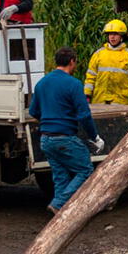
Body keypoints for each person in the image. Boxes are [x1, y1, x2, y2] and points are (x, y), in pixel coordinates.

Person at [29, 46, 104, 214]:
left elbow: (33, 111)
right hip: (65, 138)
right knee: (85, 170)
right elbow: (84, 115)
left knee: (60, 176)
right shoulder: (74, 84)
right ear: (72, 61)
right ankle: (59, 203)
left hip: (46, 139)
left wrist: (49, 119)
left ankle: (61, 212)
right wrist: (95, 137)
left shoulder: (42, 83)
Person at [84, 19, 128, 105]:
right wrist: (87, 94)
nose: (112, 37)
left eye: (116, 34)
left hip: (121, 101)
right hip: (100, 100)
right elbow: (90, 77)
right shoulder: (98, 54)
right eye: (110, 34)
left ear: (122, 36)